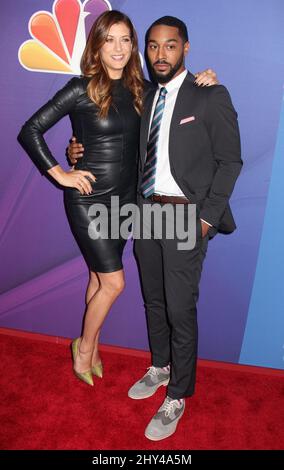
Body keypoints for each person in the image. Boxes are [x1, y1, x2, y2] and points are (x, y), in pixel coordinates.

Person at [18, 10, 217, 390]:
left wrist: (205, 80)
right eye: (110, 39)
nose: (118, 47)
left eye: (126, 39)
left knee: (98, 277)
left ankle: (90, 349)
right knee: (114, 283)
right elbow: (31, 129)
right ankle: (84, 347)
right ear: (97, 44)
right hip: (90, 201)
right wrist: (60, 171)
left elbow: (178, 101)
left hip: (127, 203)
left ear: (133, 46)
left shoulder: (144, 88)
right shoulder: (80, 88)